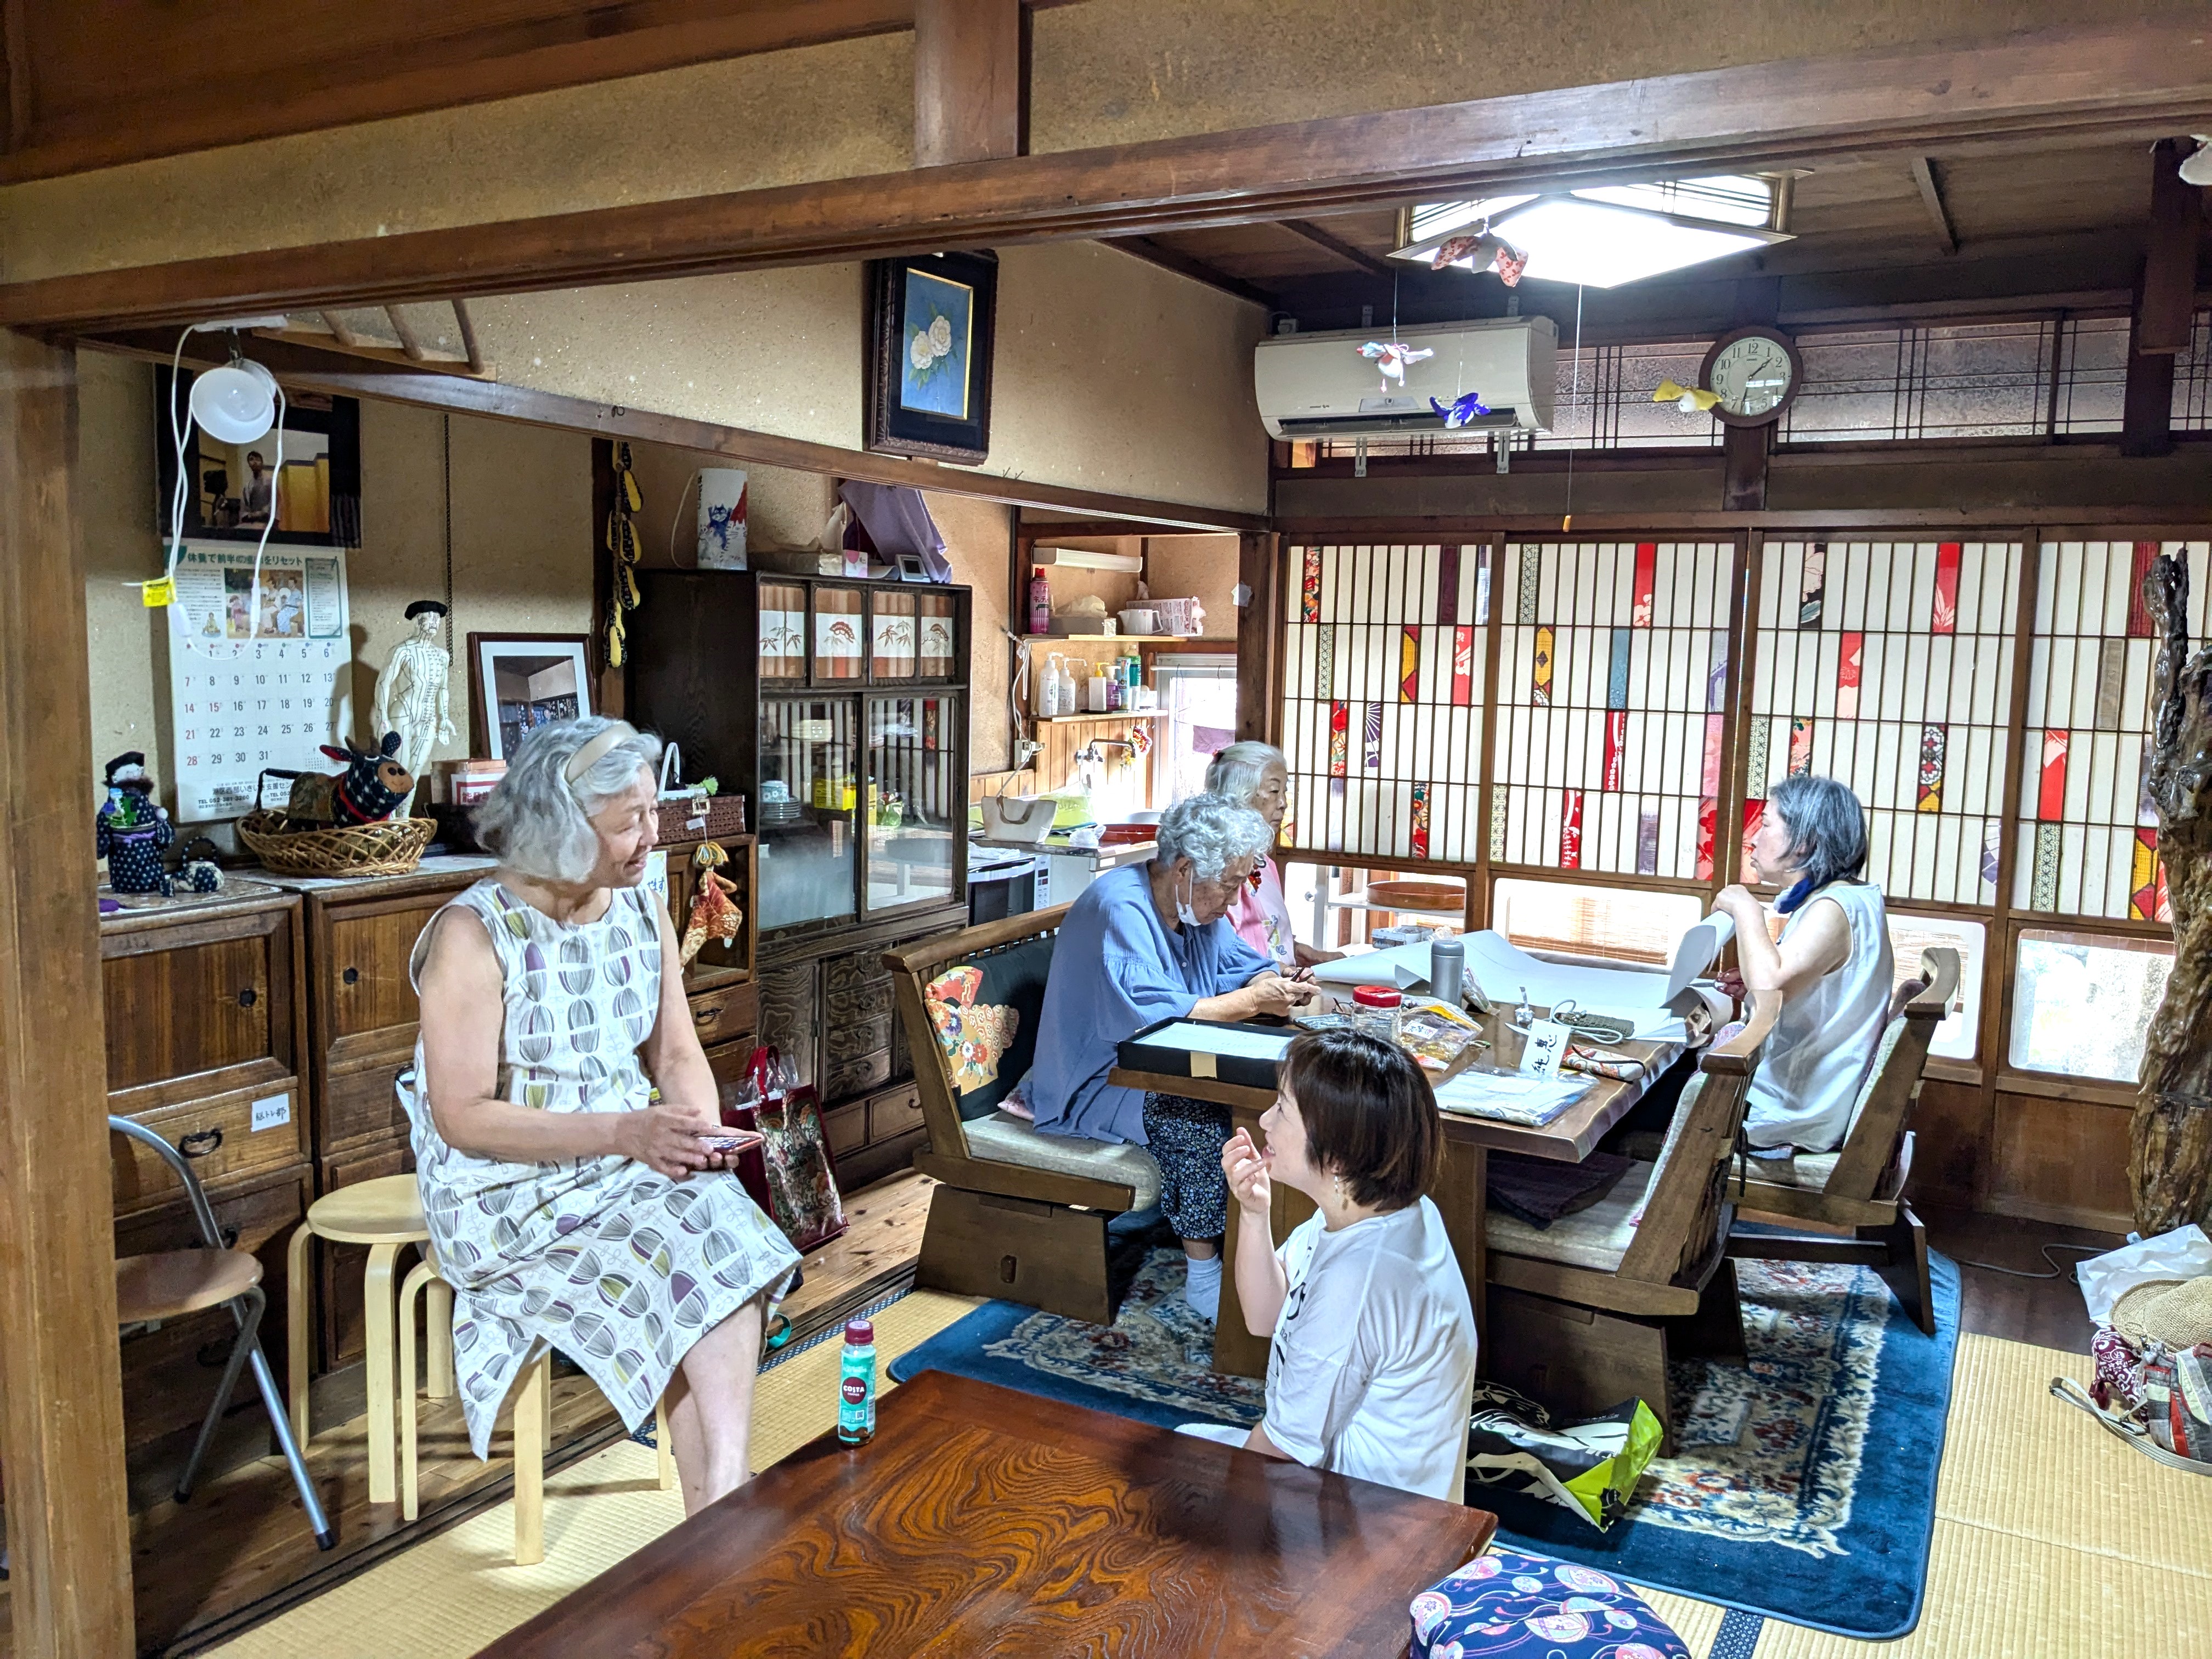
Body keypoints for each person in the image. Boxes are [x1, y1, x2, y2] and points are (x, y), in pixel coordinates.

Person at [409, 716, 800, 1515]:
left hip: (623, 1161)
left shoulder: (641, 907)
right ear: (559, 824)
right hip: (506, 1192)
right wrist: (628, 1133)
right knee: (697, 1244)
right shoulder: (471, 934)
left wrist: (695, 1134)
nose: (654, 836)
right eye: (631, 821)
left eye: (654, 812)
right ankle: (726, 1510)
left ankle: (721, 1498)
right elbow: (462, 1118)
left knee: (724, 1229)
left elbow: (677, 1055)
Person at [1026, 792, 1318, 1320]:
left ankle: (1263, 1251)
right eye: (1228, 884)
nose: (1233, 900)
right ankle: (1204, 1275)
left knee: (1273, 1099)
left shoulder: (1196, 907)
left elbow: (1242, 965)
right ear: (1184, 869)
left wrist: (1272, 985)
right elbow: (1156, 1025)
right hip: (1099, 1080)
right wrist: (1254, 1000)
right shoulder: (1121, 908)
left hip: (1165, 1067)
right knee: (1198, 1117)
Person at [1183, 1029, 1477, 1501]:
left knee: (1170, 1480)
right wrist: (1255, 1215)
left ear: (1337, 1157)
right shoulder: (1382, 1210)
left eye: (1283, 1109)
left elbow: (1279, 1451)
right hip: (1367, 1494)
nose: (1265, 1120)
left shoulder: (1358, 1279)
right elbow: (1265, 1318)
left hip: (1364, 1518)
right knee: (1185, 1445)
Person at [1713, 772, 1894, 1156]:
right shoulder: (1845, 898)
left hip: (1792, 1109)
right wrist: (1753, 986)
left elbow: (1772, 987)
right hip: (1808, 1092)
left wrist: (1746, 908)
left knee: (1647, 1097)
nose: (1753, 838)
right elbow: (1797, 986)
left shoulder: (1833, 907)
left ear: (1804, 842)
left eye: (1766, 824)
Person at [1205, 741, 1341, 975]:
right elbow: (1222, 956)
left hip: (1278, 984)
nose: (1284, 803)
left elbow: (1268, 934)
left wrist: (1302, 952)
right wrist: (1279, 971)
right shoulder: (1217, 870)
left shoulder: (1264, 864)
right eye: (1274, 791)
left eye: (1285, 792)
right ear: (1241, 795)